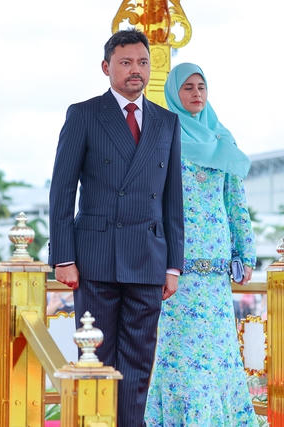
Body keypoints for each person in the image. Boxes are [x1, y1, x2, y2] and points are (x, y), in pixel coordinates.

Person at [48, 29, 184, 426]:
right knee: (97, 358)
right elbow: (62, 190)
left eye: (142, 62)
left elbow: (172, 199)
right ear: (106, 67)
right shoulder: (84, 114)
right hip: (96, 257)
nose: (135, 70)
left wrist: (173, 265)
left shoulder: (167, 121)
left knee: (139, 362)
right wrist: (63, 256)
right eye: (125, 62)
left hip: (148, 257)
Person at [145, 62, 257, 426]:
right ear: (173, 93)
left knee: (218, 351)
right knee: (181, 352)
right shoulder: (163, 137)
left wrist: (245, 253)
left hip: (215, 269)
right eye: (188, 87)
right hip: (175, 267)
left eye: (201, 87)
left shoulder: (222, 139)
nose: (196, 94)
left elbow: (235, 201)